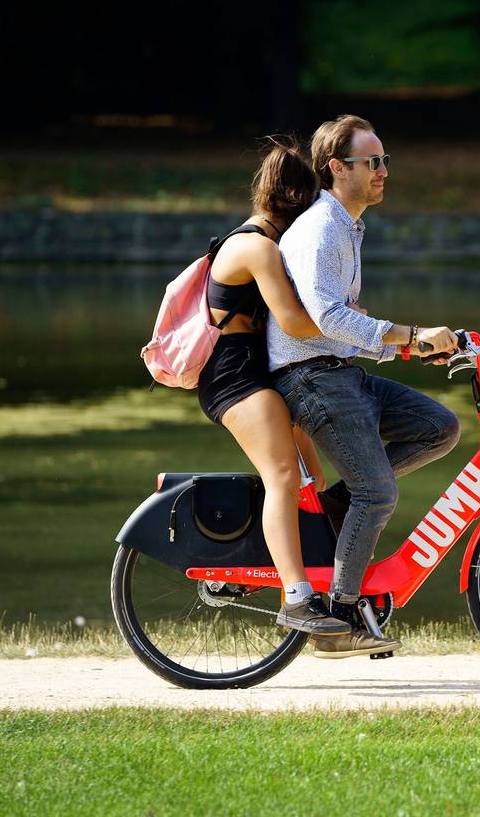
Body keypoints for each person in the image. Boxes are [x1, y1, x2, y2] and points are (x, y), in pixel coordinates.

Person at [268, 114, 460, 659]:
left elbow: (346, 322)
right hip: (311, 378)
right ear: (337, 169)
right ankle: (342, 615)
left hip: (341, 372)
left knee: (438, 428)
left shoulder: (349, 226)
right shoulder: (322, 227)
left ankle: (335, 508)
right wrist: (411, 334)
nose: (382, 171)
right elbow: (327, 316)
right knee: (378, 492)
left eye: (384, 161)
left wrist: (405, 347)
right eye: (371, 162)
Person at [196, 139, 351, 641]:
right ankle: (297, 599)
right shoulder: (256, 248)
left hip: (258, 371)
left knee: (312, 474)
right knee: (283, 474)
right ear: (292, 200)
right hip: (234, 375)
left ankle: (317, 567)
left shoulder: (265, 243)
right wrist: (359, 330)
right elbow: (292, 320)